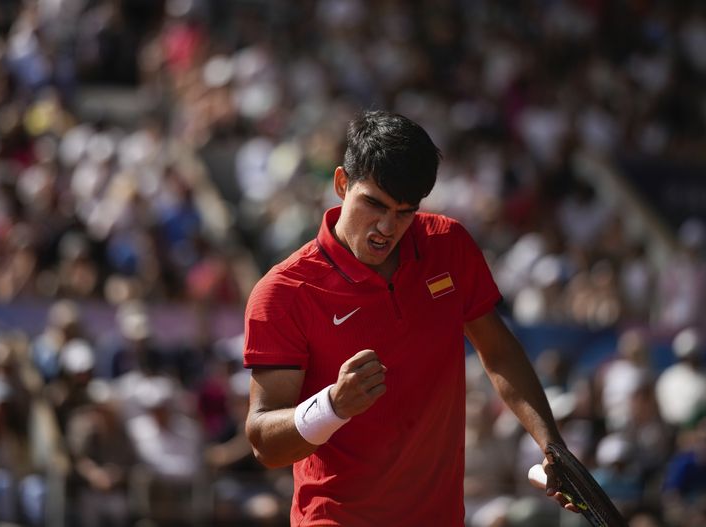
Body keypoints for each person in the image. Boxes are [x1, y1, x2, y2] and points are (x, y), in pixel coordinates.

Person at [243, 110, 578, 526]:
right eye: (374, 204)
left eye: (405, 212)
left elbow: (498, 352)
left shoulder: (449, 244)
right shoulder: (282, 292)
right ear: (341, 183)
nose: (387, 226)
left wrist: (552, 447)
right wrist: (332, 406)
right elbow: (263, 442)